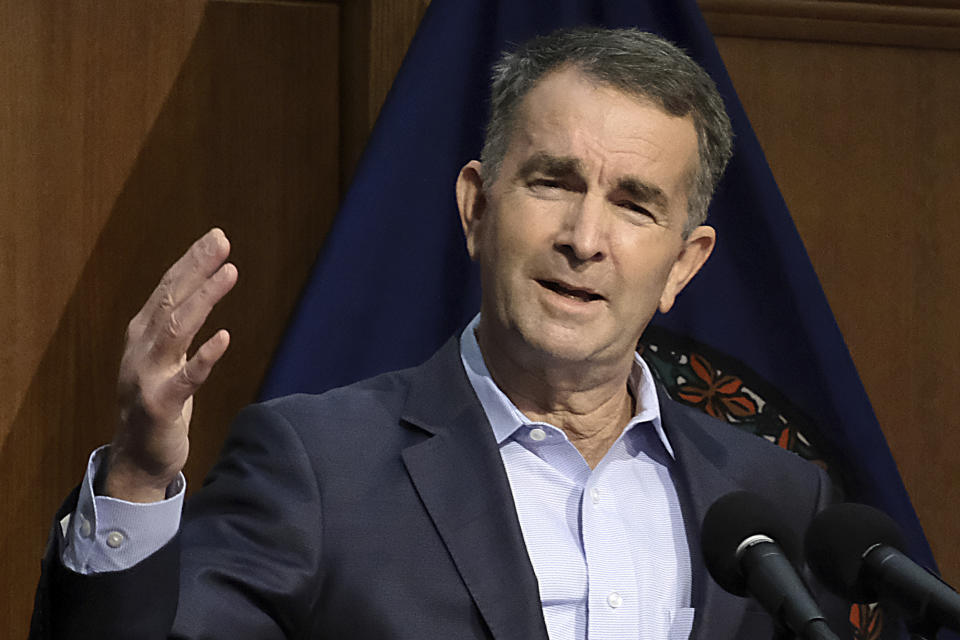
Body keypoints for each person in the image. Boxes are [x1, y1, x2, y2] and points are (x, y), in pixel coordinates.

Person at [31, 27, 849, 639]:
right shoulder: (319, 466)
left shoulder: (770, 499)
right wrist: (137, 476)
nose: (585, 238)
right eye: (552, 181)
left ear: (683, 264)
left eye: (635, 204)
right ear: (477, 208)